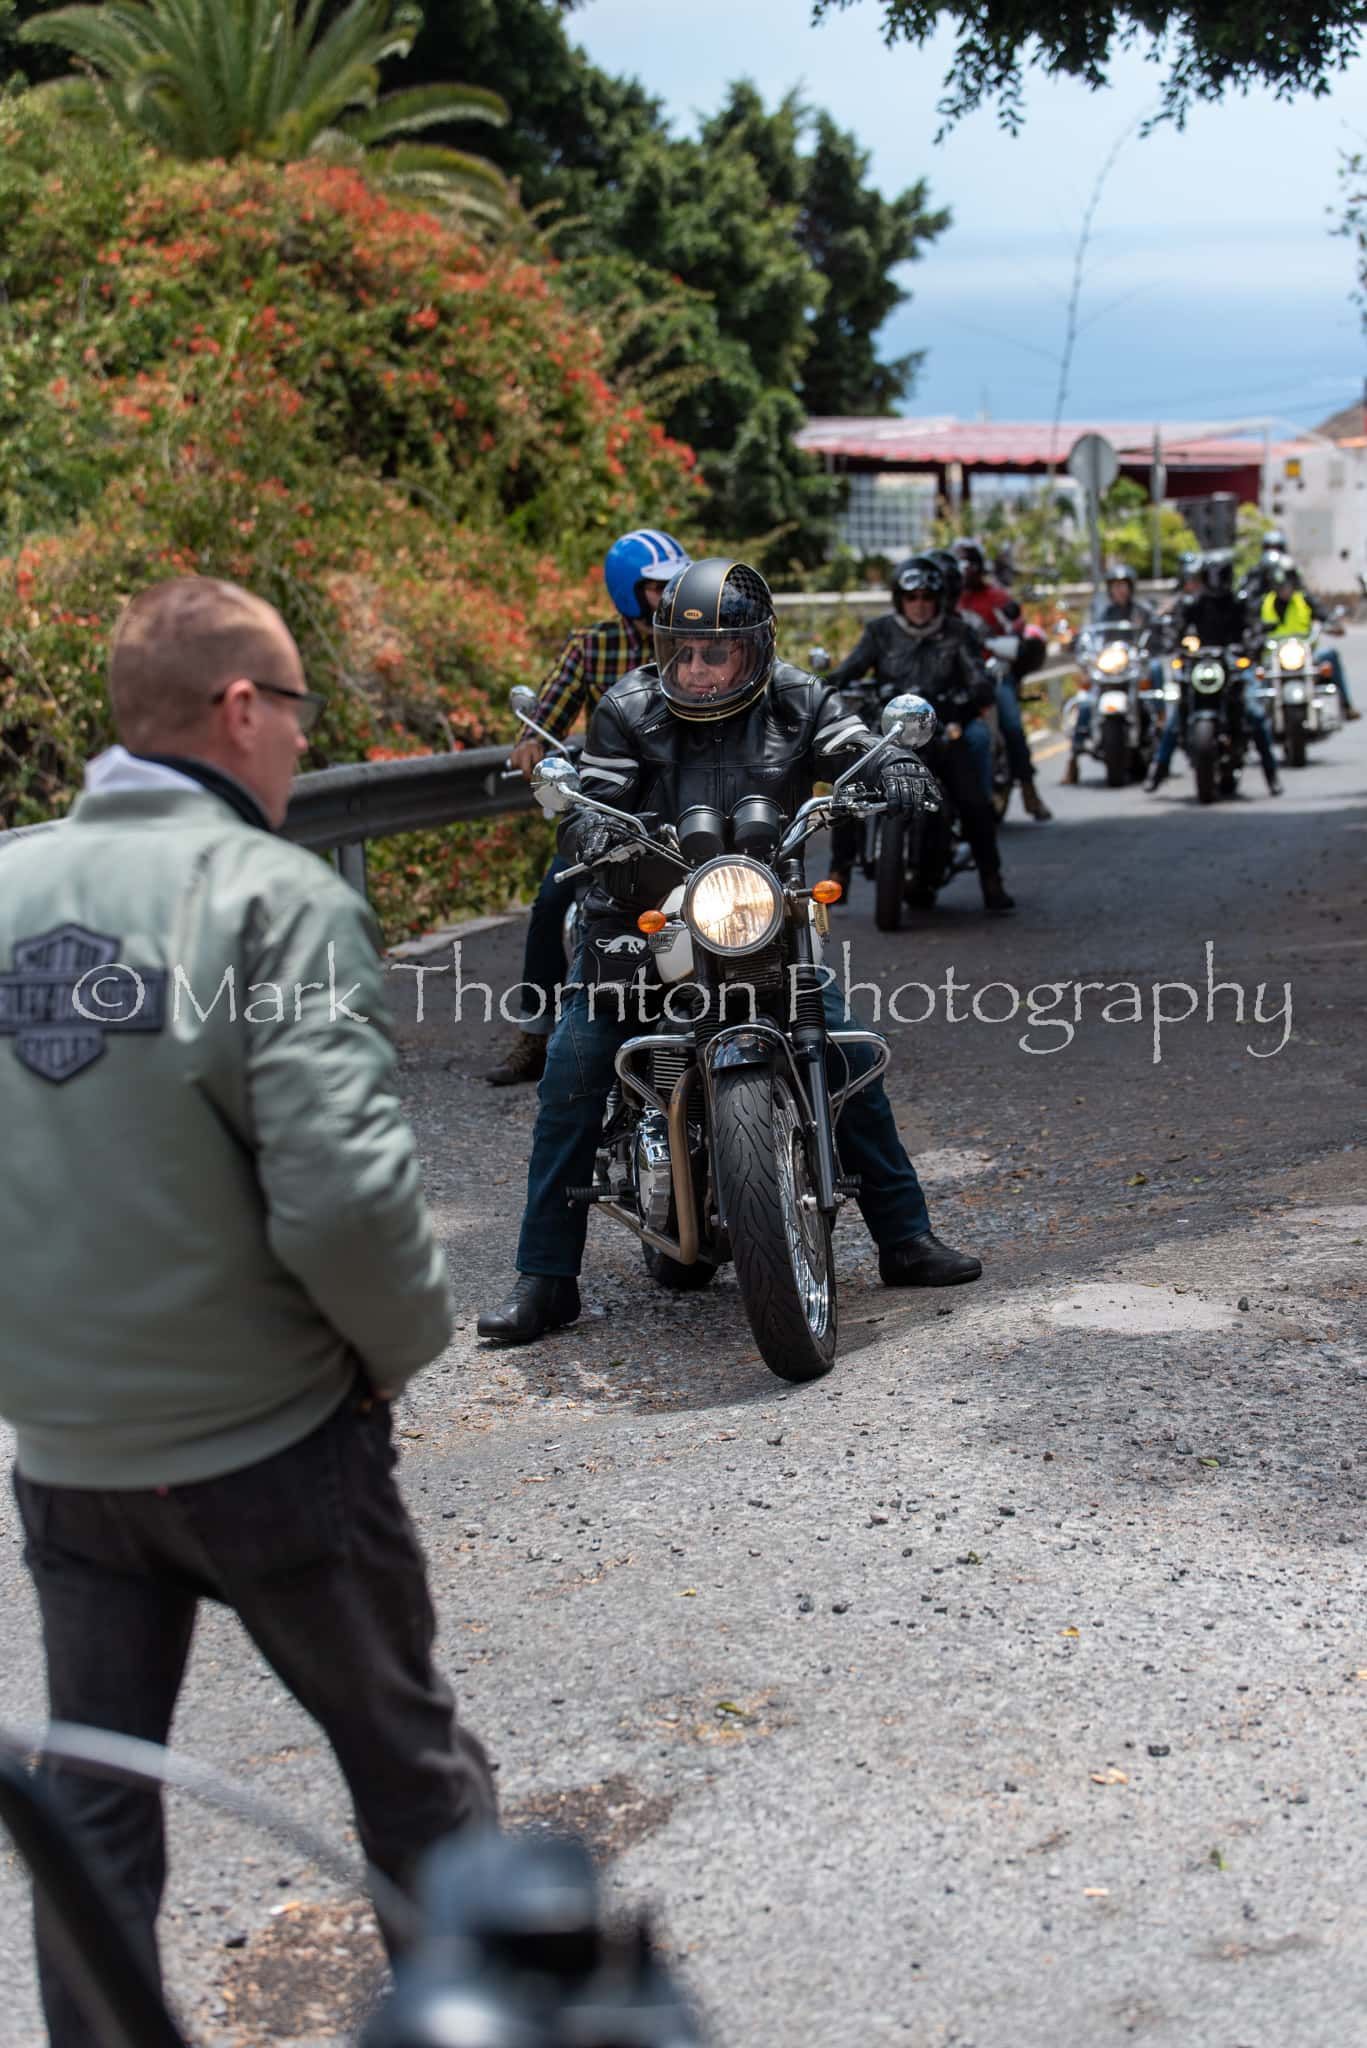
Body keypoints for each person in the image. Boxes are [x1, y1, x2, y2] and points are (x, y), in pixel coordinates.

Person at [0, 576, 496, 2047]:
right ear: (237, 711)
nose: (296, 741)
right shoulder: (272, 901)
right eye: (293, 712)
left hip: (71, 1462)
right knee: (413, 1775)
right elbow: (342, 1200)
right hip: (274, 1439)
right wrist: (397, 1353)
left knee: (93, 1811)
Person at [476, 557, 985, 1345]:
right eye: (683, 651)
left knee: (846, 1055)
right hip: (642, 920)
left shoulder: (797, 695)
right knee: (573, 1070)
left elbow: (850, 740)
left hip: (756, 916)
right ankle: (545, 1279)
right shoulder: (625, 706)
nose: (699, 668)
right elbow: (593, 794)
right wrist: (590, 824)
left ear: (756, 646)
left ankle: (904, 1239)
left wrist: (895, 760)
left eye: (718, 653)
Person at [484, 528, 691, 1087]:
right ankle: (534, 1030)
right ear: (628, 590)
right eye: (656, 588)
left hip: (691, 793)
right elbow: (547, 716)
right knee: (553, 899)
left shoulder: (702, 637)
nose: (669, 596)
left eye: (675, 584)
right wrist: (532, 742)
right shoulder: (592, 646)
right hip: (613, 802)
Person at [827, 553, 1013, 914]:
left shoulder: (958, 633)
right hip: (888, 735)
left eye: (928, 597)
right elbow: (848, 670)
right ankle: (839, 873)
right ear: (900, 599)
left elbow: (978, 678)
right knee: (848, 791)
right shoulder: (880, 631)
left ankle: (992, 880)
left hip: (940, 732)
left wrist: (970, 695)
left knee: (974, 801)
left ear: (939, 599)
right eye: (912, 597)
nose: (920, 605)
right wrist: (820, 688)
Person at [1145, 552, 1281, 795]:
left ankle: (1271, 775)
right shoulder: (1193, 604)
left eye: (1221, 576)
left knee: (1255, 714)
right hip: (1202, 665)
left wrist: (1251, 646)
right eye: (1212, 576)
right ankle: (1158, 770)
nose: (1217, 582)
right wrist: (1175, 645)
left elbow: (1255, 627)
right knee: (1175, 718)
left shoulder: (1239, 602)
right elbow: (1176, 629)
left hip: (1233, 666)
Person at [953, 537, 1052, 821]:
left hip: (993, 674)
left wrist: (1005, 643)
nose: (964, 570)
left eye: (969, 562)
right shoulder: (946, 600)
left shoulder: (997, 598)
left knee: (1010, 724)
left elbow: (1018, 627)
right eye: (959, 563)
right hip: (958, 676)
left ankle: (1029, 791)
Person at [1062, 561, 1159, 785]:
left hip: (1131, 664)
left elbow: (1155, 633)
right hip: (1109, 666)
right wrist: (1077, 643)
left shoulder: (1141, 612)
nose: (1120, 590)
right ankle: (1074, 757)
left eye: (1123, 585)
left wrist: (1153, 642)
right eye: (1115, 586)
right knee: (1085, 703)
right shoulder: (1102, 613)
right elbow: (1089, 636)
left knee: (1153, 678)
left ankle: (1159, 722)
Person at [1259, 559, 1358, 718]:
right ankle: (1260, 717)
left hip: (1305, 654)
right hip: (1275, 657)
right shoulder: (1265, 603)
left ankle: (1346, 705)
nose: (1285, 588)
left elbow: (1324, 615)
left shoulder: (1304, 599)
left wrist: (1333, 624)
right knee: (1258, 675)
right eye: (1281, 584)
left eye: (1287, 584)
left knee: (1330, 656)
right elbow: (1252, 623)